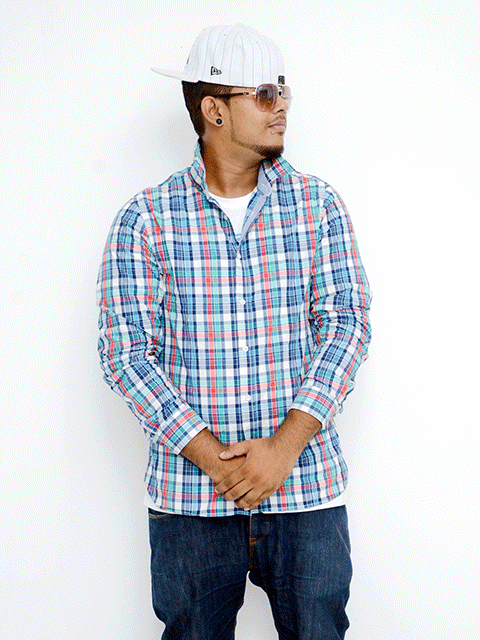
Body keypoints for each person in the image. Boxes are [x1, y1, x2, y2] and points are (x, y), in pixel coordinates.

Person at [97, 23, 371, 640]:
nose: (282, 107)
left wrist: (283, 449)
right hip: (191, 502)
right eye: (265, 94)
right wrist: (217, 463)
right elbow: (126, 354)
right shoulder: (146, 219)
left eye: (284, 91)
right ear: (214, 110)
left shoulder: (318, 206)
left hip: (306, 491)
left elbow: (347, 325)